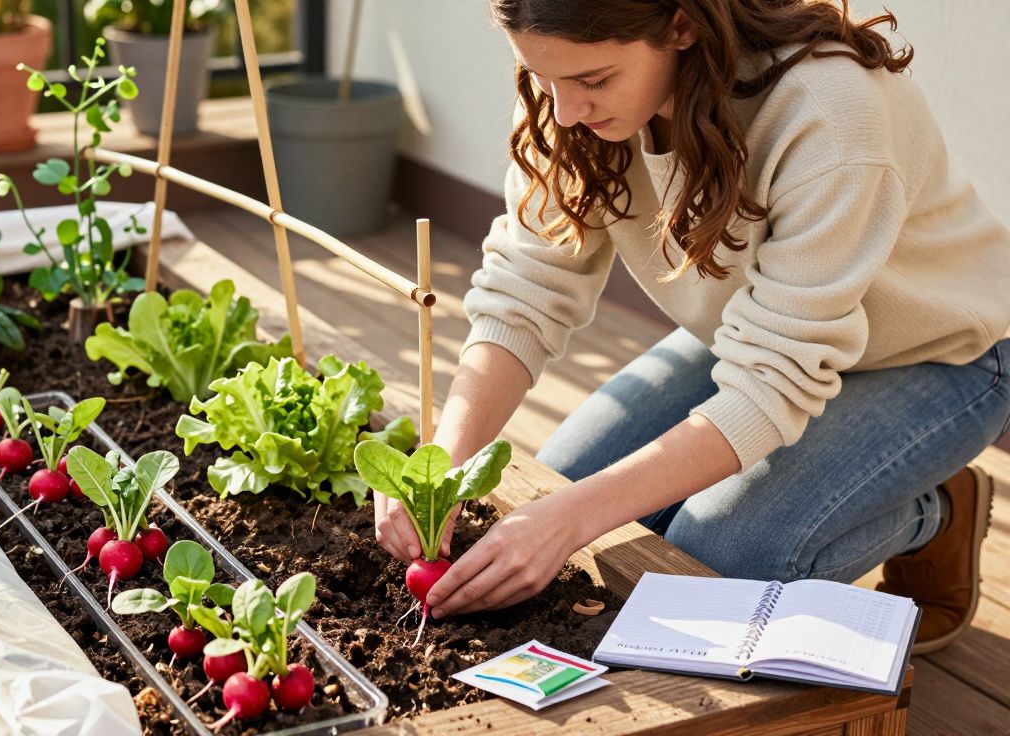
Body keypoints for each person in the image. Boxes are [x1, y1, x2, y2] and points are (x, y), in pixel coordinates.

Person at [373, 0, 1010, 654]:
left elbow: (772, 382)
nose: (563, 112)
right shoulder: (567, 90)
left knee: (715, 558)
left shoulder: (830, 111)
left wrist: (569, 518)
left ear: (681, 25)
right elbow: (527, 288)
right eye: (541, 77)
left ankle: (935, 508)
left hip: (943, 356)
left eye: (593, 80)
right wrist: (442, 463)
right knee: (563, 483)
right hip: (763, 336)